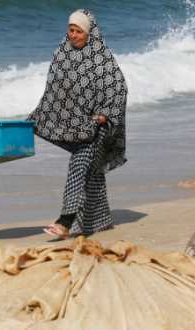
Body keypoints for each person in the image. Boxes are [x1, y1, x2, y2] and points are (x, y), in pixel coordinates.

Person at [28, 9, 127, 240]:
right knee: (92, 172)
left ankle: (65, 221)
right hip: (74, 124)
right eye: (70, 30)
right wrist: (38, 118)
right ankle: (100, 220)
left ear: (89, 33)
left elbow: (119, 88)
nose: (73, 35)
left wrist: (105, 114)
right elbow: (54, 92)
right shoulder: (62, 53)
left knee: (80, 163)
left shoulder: (101, 57)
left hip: (97, 127)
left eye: (78, 31)